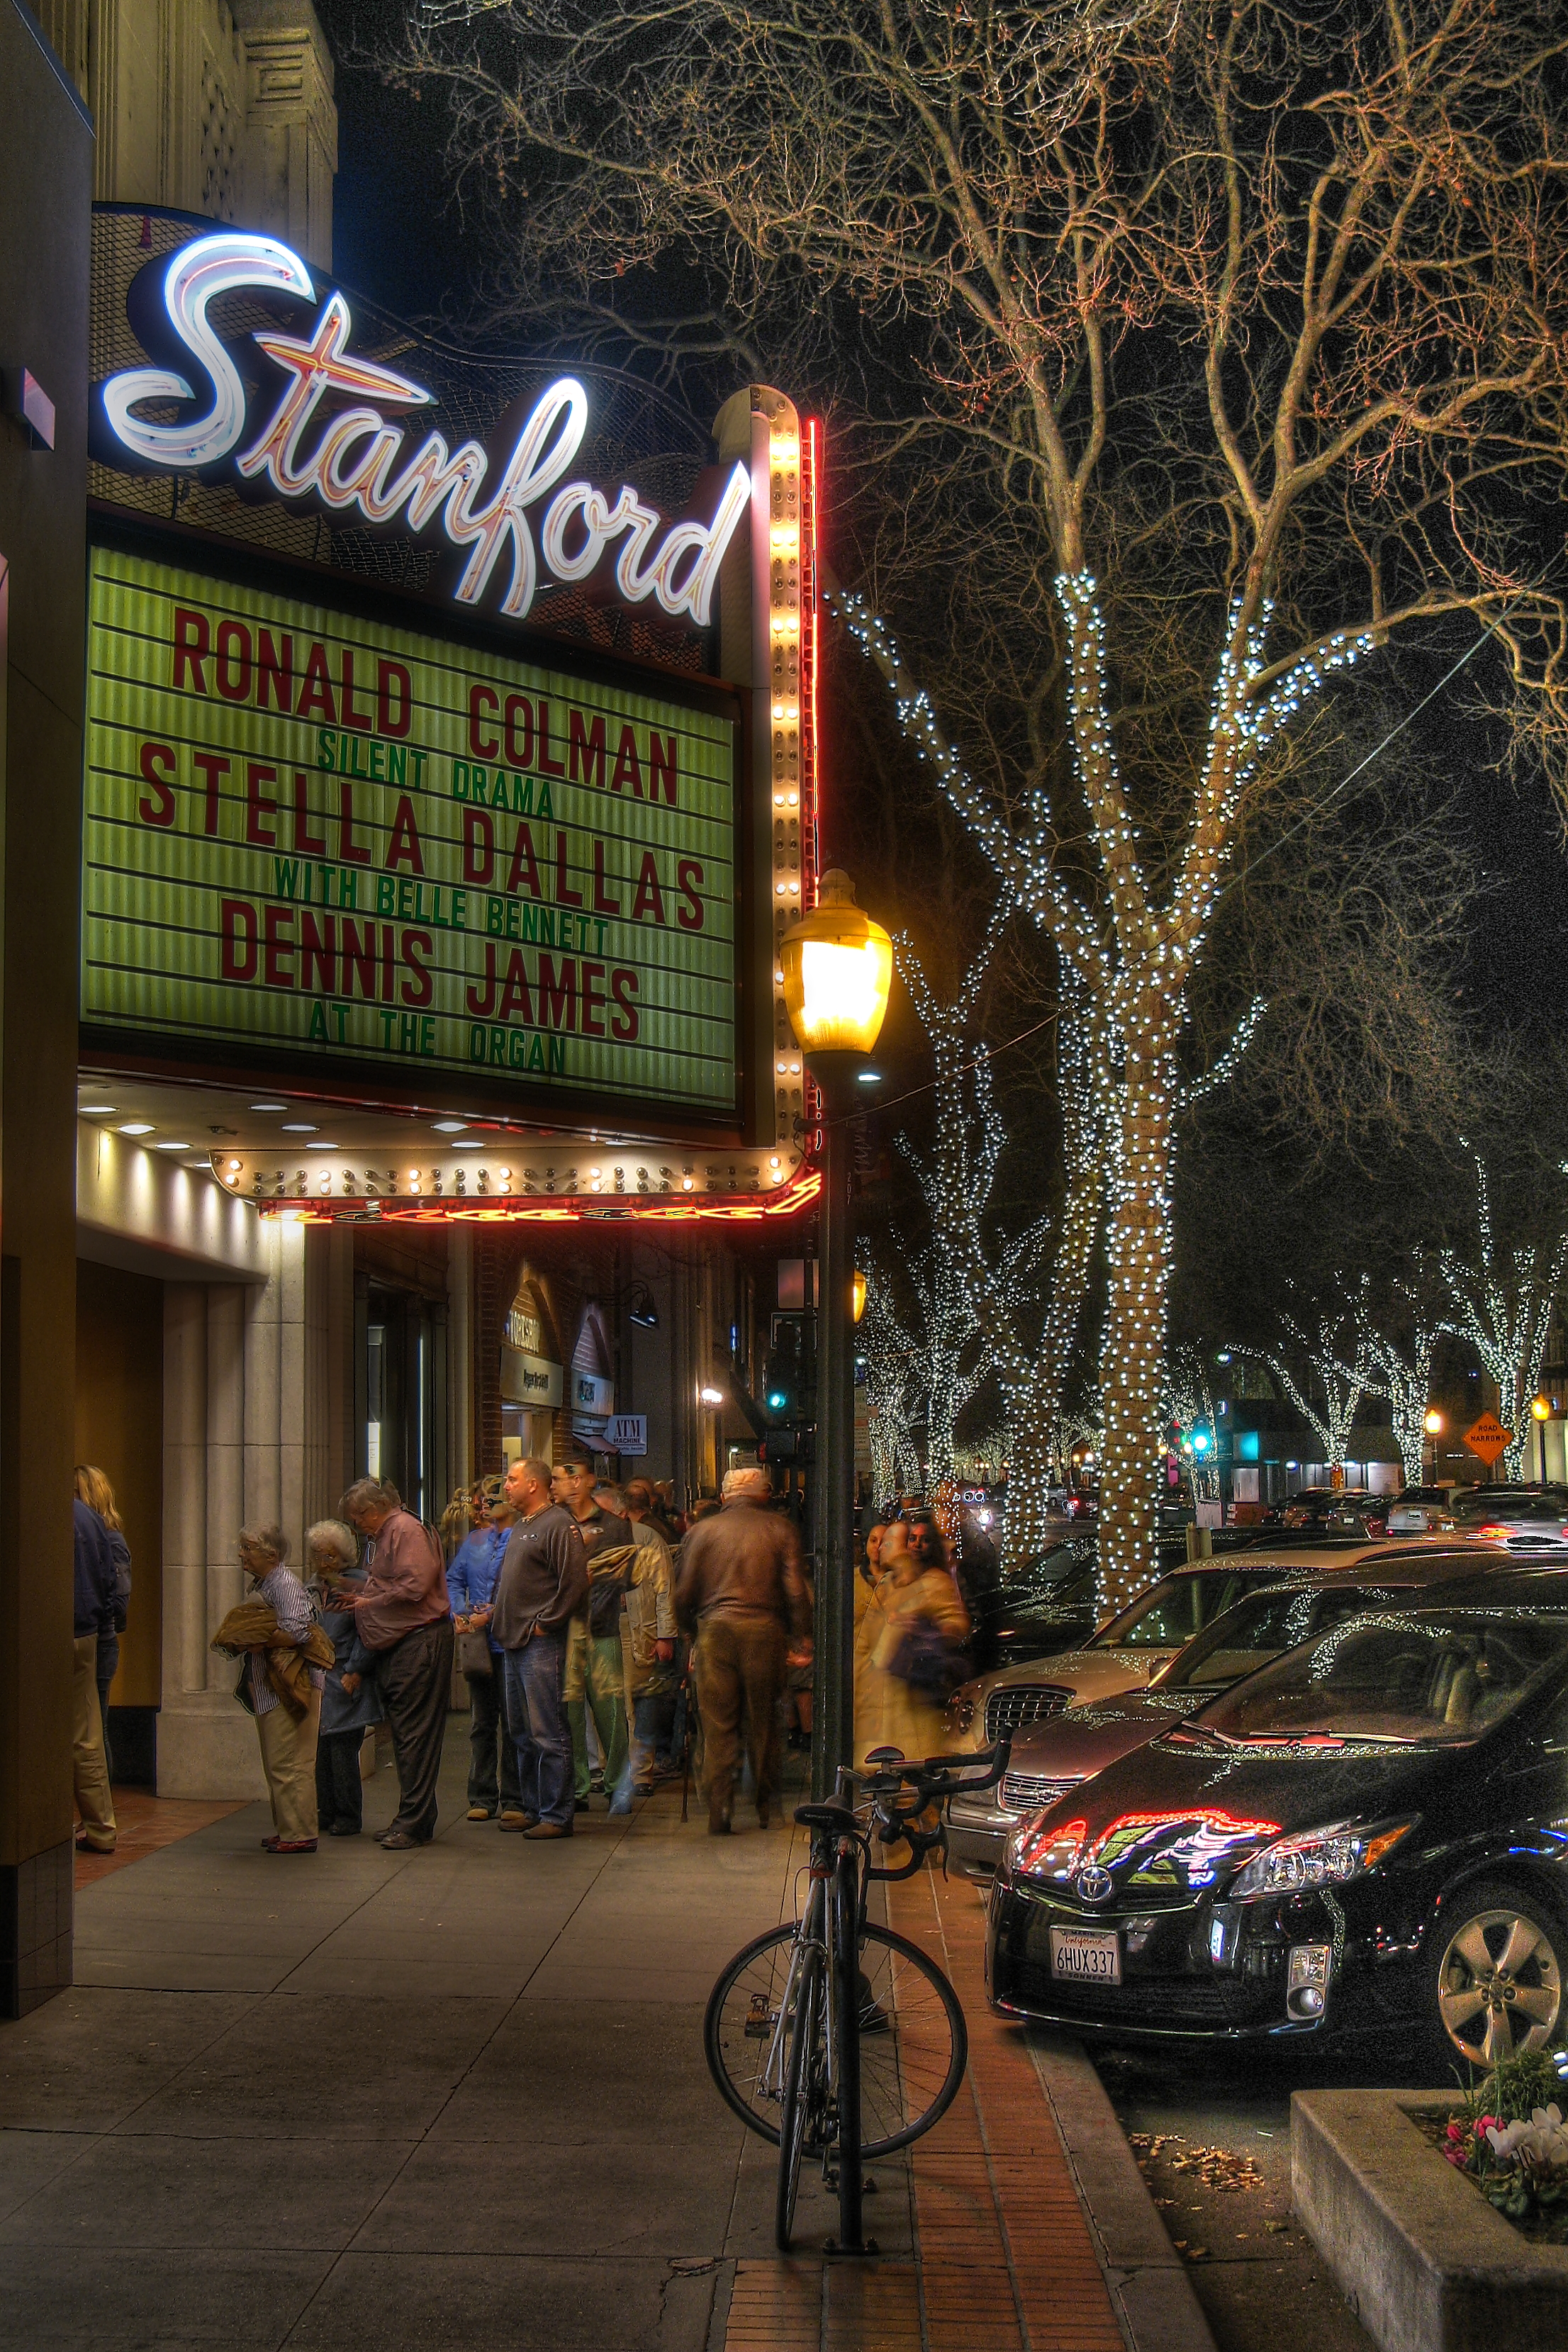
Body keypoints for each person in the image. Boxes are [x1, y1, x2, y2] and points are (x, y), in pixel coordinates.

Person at [675, 1465, 810, 1835]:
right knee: (764, 1722)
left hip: (714, 1630)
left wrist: (692, 1631)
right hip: (764, 1631)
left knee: (718, 1724)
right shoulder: (780, 1529)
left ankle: (720, 1809)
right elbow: (795, 1590)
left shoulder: (702, 1532)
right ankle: (766, 1805)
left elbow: (683, 1593)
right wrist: (802, 1637)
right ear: (764, 1494)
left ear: (725, 1497)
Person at [335, 1477, 453, 1851]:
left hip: (419, 1643)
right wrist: (360, 1593)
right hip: (404, 1644)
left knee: (414, 1736)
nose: (358, 1526)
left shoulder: (404, 1529)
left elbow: (416, 1585)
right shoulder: (387, 1534)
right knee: (406, 1737)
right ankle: (415, 1817)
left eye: (357, 1518)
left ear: (371, 1510)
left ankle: (413, 1823)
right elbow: (390, 1582)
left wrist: (371, 1602)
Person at [489, 1455, 588, 1837]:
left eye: (512, 1479)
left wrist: (548, 1623)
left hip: (539, 1644)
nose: (506, 1486)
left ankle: (556, 1815)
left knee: (548, 1730)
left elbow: (575, 1582)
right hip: (514, 1642)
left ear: (534, 1484)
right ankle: (532, 1806)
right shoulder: (521, 1526)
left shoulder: (559, 1525)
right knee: (522, 1731)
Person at [228, 1525, 326, 1854]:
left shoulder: (283, 1584)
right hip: (272, 1688)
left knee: (291, 1760)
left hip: (291, 1689)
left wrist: (256, 1638)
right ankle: (288, 1828)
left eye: (247, 1548)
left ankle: (299, 1832)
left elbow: (298, 1630)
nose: (242, 1554)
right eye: (241, 1547)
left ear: (271, 1555)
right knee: (278, 1761)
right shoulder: (267, 1583)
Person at [447, 1477, 529, 1825]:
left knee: (513, 1724)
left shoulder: (524, 1538)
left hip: (511, 1643)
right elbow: (454, 1579)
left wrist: (490, 1615)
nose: (483, 1504)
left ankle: (514, 1797)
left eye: (491, 1498)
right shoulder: (476, 1541)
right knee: (482, 1723)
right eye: (482, 1499)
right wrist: (459, 1611)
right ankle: (481, 1794)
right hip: (481, 1645)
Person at [552, 1455, 632, 1808]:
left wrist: (591, 1579)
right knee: (567, 1714)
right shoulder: (556, 1524)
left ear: (586, 1482)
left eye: (569, 1477)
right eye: (558, 1479)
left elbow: (628, 1577)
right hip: (564, 1630)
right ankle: (577, 1787)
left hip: (600, 1627)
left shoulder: (615, 1526)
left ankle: (617, 1784)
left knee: (610, 1713)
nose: (561, 1485)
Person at [870, 1517, 972, 1766]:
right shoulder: (890, 1583)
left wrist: (927, 1628)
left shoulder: (936, 1582)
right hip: (888, 1694)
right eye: (911, 1539)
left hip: (918, 1691)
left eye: (924, 1540)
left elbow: (957, 1624)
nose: (917, 1545)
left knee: (917, 1761)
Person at [307, 1519, 381, 1839]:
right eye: (318, 1556)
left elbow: (369, 1634)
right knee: (321, 1749)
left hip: (346, 1675)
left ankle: (348, 1815)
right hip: (318, 1676)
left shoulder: (359, 1585)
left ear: (343, 1557)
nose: (323, 1563)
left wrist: (356, 1669)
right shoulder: (311, 1587)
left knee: (342, 1751)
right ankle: (326, 1810)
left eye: (330, 1556)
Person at [73, 1466, 131, 1782]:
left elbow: (120, 1601)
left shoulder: (111, 1539)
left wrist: (98, 1619)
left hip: (100, 1640)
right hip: (94, 1636)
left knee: (98, 1728)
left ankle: (103, 1804)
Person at [72, 1496, 118, 1854]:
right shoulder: (88, 1516)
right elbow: (108, 1577)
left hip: (42, 1633)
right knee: (87, 1735)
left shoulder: (30, 1506)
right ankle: (101, 1829)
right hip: (85, 1633)